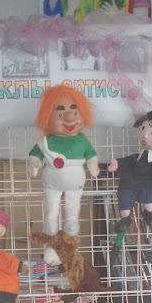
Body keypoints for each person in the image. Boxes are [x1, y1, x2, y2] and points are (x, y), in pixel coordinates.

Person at [29, 85, 99, 236]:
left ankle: (72, 222)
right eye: (60, 114)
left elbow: (90, 154)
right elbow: (35, 154)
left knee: (73, 203)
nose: (70, 117)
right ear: (47, 117)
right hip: (52, 182)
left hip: (75, 183)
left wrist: (93, 166)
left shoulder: (81, 140)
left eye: (75, 112)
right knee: (51, 204)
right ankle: (50, 223)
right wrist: (35, 164)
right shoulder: (47, 141)